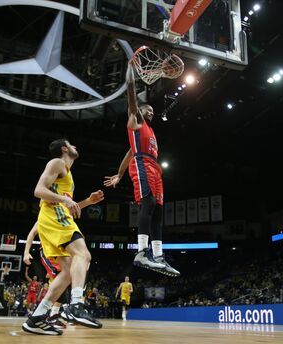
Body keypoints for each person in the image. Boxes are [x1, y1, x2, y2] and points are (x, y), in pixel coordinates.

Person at [22, 139, 105, 335]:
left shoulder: (67, 172)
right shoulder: (57, 163)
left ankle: (37, 317)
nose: (76, 146)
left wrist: (86, 202)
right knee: (83, 255)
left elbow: (68, 205)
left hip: (54, 218)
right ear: (64, 148)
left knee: (67, 273)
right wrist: (65, 200)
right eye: (72, 144)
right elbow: (39, 191)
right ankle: (76, 305)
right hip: (54, 217)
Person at [104, 61, 179, 277]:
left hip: (154, 168)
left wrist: (119, 173)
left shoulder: (149, 132)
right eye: (149, 110)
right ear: (141, 110)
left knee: (158, 211)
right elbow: (132, 103)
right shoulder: (136, 120)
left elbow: (129, 152)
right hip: (143, 164)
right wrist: (130, 82)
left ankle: (157, 255)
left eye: (153, 112)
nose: (152, 113)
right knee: (147, 203)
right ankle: (142, 252)